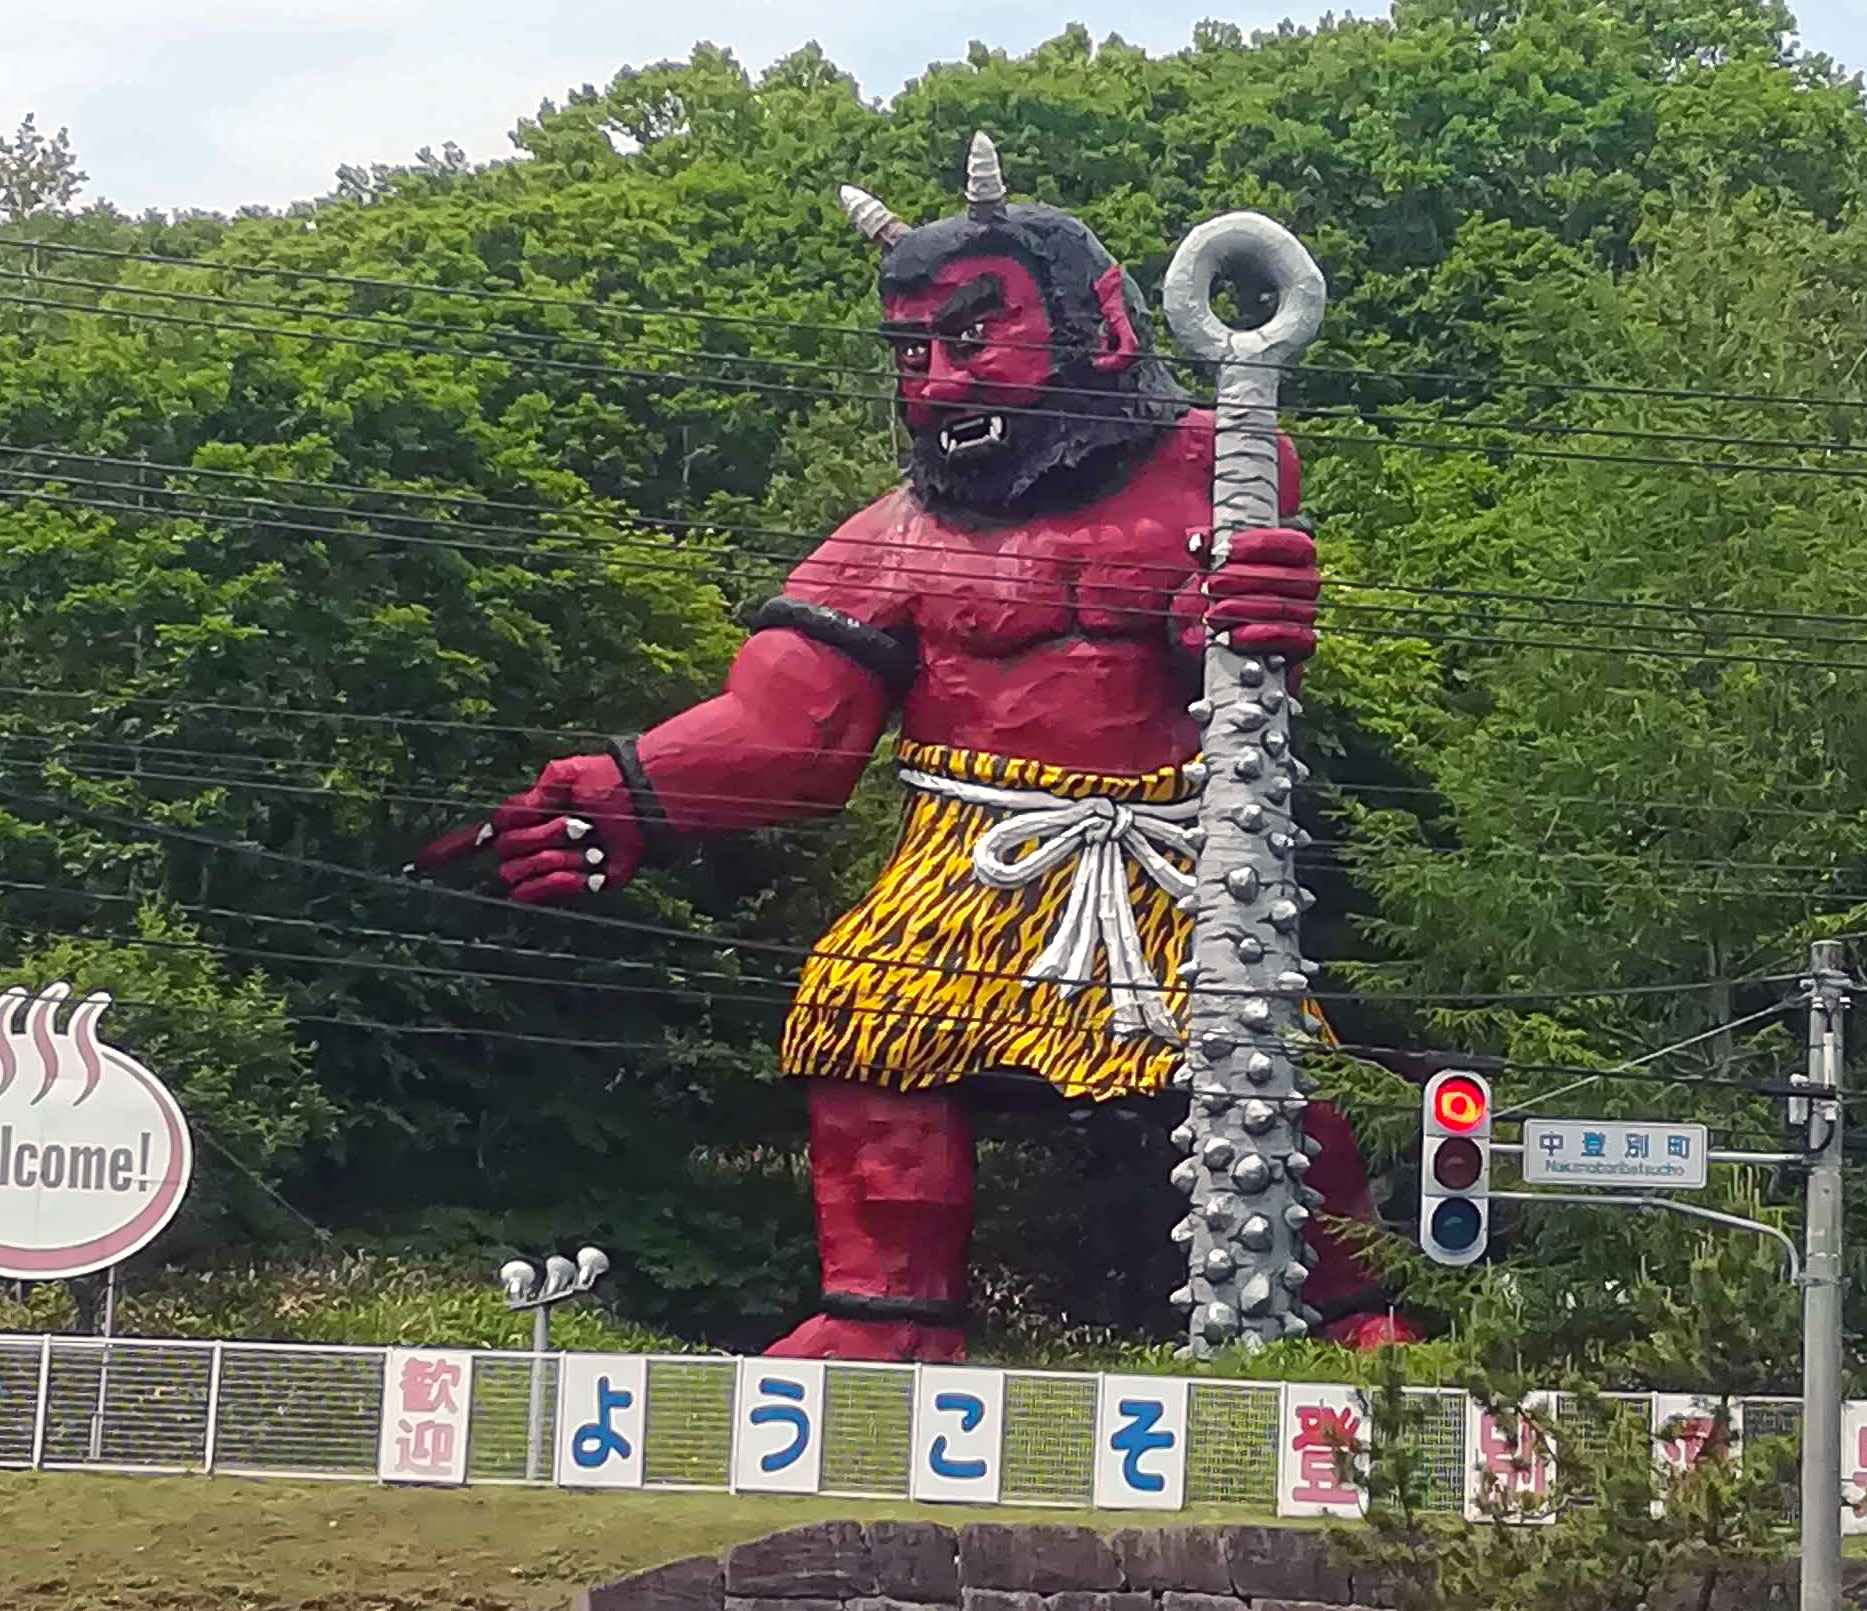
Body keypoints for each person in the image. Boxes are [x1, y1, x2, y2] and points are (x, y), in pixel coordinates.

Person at [417, 134, 1419, 1359]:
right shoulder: (888, 537)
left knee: (1269, 1064)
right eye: (910, 353)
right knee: (863, 1018)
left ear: (1098, 319)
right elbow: (789, 725)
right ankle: (887, 1314)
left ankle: (1352, 1315)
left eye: (969, 337)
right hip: (965, 848)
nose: (938, 383)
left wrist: (1254, 606)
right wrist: (620, 796)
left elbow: (1225, 627)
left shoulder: (1212, 468)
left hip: (1169, 843)